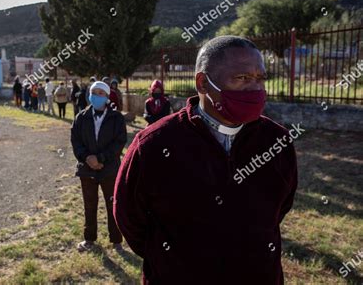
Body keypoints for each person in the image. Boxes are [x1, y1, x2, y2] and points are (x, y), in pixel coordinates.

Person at [114, 36, 298, 284]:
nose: (255, 89)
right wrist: (171, 260)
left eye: (260, 78)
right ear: (203, 83)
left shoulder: (278, 143)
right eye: (242, 78)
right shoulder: (154, 145)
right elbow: (130, 218)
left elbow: (278, 209)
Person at [71, 81, 127, 252]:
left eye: (100, 93)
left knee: (113, 204)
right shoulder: (81, 117)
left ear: (106, 96)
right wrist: (87, 157)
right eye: (93, 92)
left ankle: (116, 240)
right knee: (89, 205)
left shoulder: (116, 118)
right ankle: (89, 239)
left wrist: (101, 158)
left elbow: (119, 142)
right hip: (87, 169)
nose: (96, 96)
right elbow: (76, 141)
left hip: (109, 169)